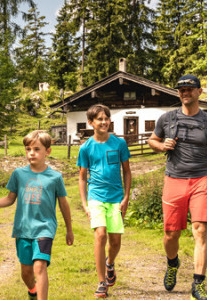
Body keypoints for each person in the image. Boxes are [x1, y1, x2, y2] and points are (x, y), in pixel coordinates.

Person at [146, 75, 207, 300]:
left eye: (190, 89)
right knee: (170, 234)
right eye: (181, 90)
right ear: (178, 94)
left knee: (201, 230)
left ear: (199, 92)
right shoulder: (167, 119)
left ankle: (198, 284)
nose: (185, 93)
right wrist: (161, 145)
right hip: (173, 180)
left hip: (200, 180)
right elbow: (152, 141)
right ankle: (173, 263)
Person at [0, 130, 74, 300]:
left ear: (48, 151)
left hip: (44, 228)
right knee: (26, 272)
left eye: (37, 149)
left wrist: (69, 229)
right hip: (23, 229)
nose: (31, 153)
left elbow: (63, 204)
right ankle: (32, 290)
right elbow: (10, 199)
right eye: (28, 149)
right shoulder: (19, 174)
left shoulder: (55, 177)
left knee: (39, 266)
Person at [76, 104, 132, 298]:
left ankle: (110, 264)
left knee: (115, 241)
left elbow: (127, 171)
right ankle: (101, 282)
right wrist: (84, 203)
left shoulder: (119, 144)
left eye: (106, 118)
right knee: (100, 234)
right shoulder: (86, 148)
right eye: (99, 119)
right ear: (91, 123)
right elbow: (82, 178)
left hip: (116, 197)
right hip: (96, 197)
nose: (104, 122)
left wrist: (126, 197)